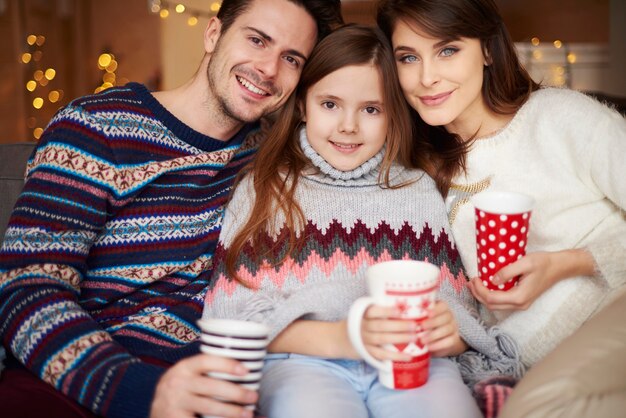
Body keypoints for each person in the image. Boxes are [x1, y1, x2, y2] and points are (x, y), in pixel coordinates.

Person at [0, 1, 343, 418]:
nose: (269, 69)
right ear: (214, 34)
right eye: (257, 40)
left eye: (291, 58)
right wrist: (144, 391)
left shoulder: (272, 156)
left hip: (208, 385)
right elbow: (27, 292)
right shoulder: (96, 127)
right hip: (73, 380)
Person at [202, 23, 525, 418]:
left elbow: (457, 312)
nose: (348, 126)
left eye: (371, 109)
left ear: (394, 116)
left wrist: (450, 334)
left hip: (410, 363)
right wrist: (345, 337)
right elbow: (230, 313)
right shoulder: (264, 188)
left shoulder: (417, 191)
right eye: (330, 104)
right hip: (301, 362)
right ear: (303, 105)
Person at [376, 0, 626, 368]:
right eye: (408, 58)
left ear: (488, 51)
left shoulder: (561, 118)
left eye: (448, 50)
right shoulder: (416, 173)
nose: (426, 77)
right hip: (509, 365)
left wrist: (568, 264)